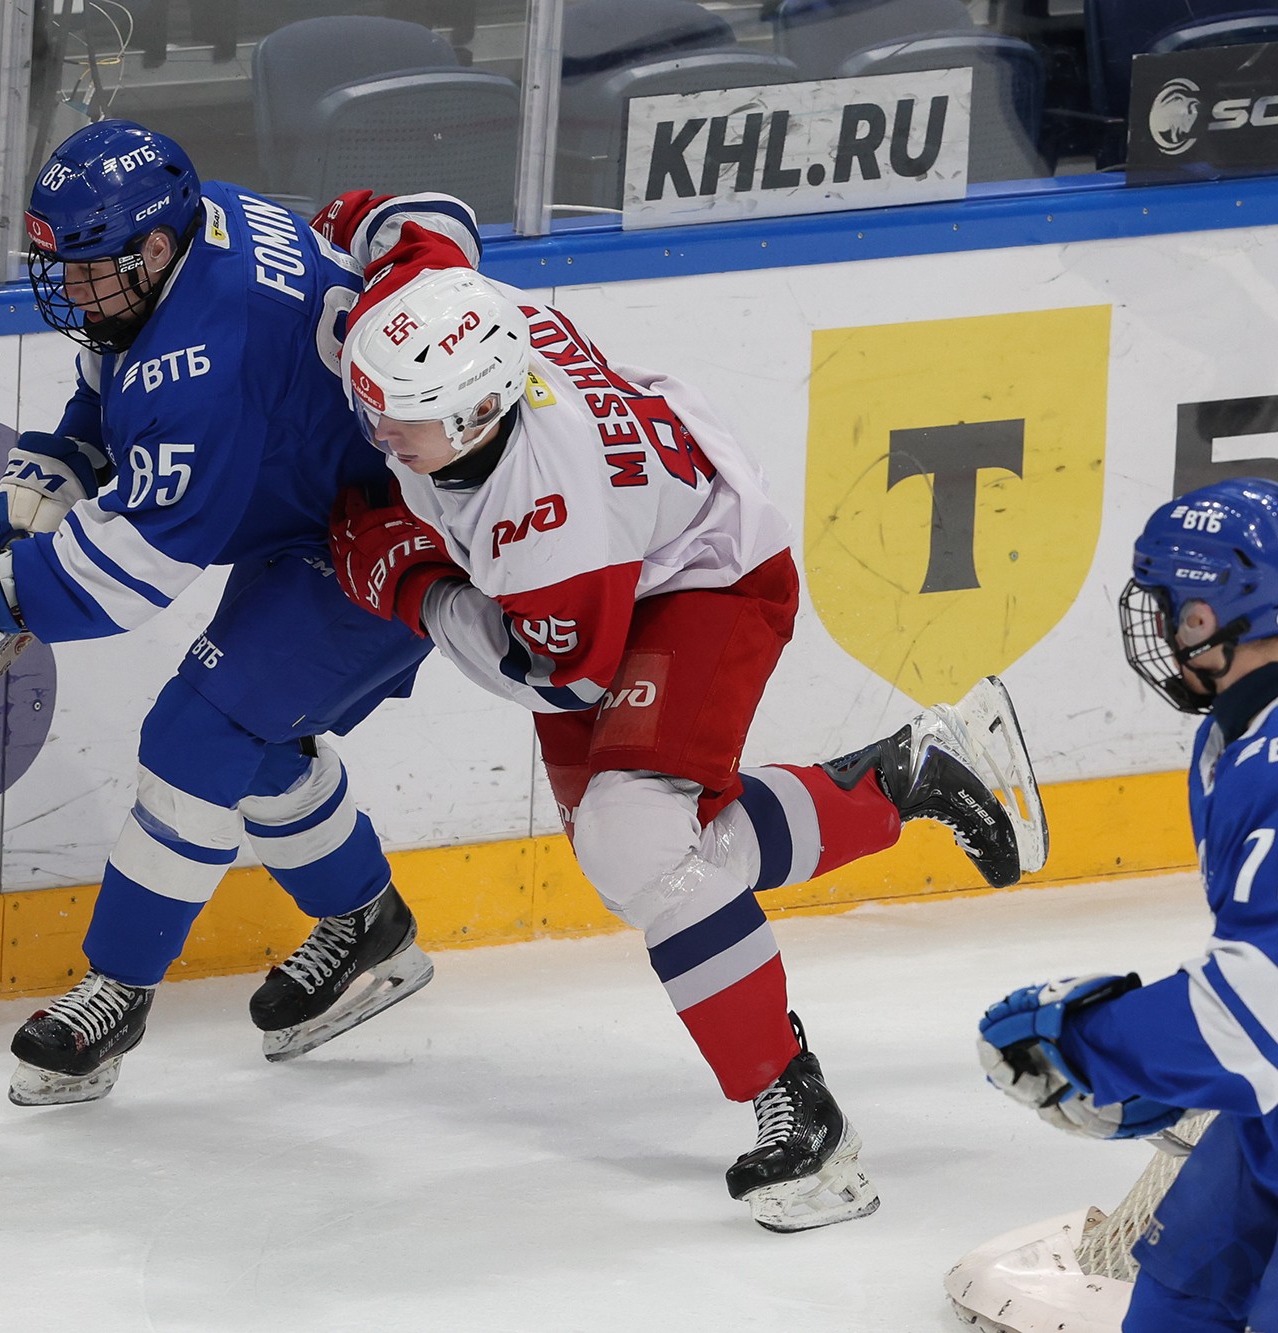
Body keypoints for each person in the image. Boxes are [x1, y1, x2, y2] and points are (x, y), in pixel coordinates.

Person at [312, 190, 1050, 1231]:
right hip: (646, 533)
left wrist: (412, 586)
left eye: (403, 415)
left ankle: (800, 1113)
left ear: (477, 414)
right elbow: (423, 222)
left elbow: (553, 672)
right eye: (374, 400)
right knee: (651, 853)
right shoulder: (438, 311)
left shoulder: (544, 520)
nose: (378, 428)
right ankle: (906, 773)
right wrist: (340, 227)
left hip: (705, 576)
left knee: (639, 844)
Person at [0, 121, 437, 1107]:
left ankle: (115, 992)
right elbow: (119, 367)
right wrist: (66, 463)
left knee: (196, 732)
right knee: (246, 733)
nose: (72, 292)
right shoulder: (202, 227)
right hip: (323, 504)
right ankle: (369, 924)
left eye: (88, 271)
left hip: (398, 531)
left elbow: (126, 576)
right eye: (63, 267)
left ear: (154, 247)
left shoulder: (206, 361)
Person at [979, 477, 1278, 1331]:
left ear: (1208, 615)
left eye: (1173, 607)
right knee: (1182, 1290)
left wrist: (1092, 1046)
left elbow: (1263, 998)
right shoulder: (1234, 737)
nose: (1164, 629)